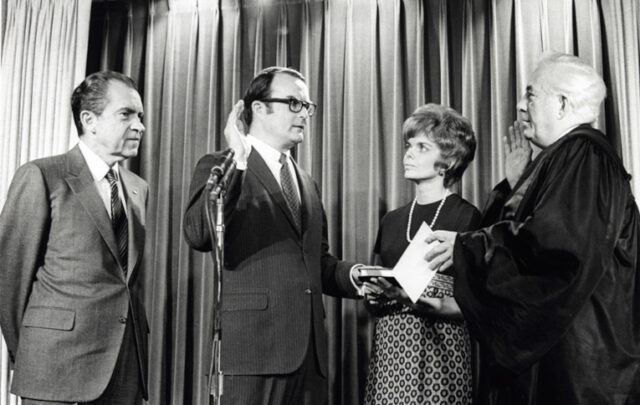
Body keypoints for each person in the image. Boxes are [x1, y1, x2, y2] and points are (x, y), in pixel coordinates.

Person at [426, 52, 640, 404]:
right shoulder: (567, 159)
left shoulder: (586, 155)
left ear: (561, 104)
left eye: (531, 95)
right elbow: (529, 237)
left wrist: (467, 248)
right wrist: (517, 185)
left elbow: (554, 247)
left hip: (578, 375)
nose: (520, 106)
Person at [183, 66, 362, 405]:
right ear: (258, 108)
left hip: (309, 359)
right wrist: (238, 159)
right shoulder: (220, 165)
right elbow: (199, 233)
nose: (304, 114)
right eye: (294, 103)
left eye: (307, 106)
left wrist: (356, 276)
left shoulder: (307, 183)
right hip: (252, 354)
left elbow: (317, 264)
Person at [0, 71, 149, 404]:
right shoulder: (42, 176)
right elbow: (10, 276)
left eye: (140, 116)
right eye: (126, 114)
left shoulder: (139, 189)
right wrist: (28, 354)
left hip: (123, 371)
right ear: (89, 120)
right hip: (55, 368)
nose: (139, 126)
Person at [362, 104, 481, 404]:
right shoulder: (391, 220)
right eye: (409, 145)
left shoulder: (467, 218)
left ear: (448, 160)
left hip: (441, 350)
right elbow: (377, 293)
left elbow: (473, 304)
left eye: (421, 147)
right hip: (390, 350)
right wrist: (373, 294)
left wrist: (411, 298)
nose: (409, 154)